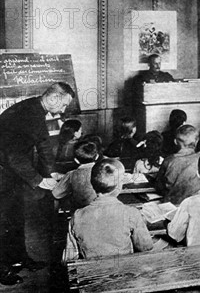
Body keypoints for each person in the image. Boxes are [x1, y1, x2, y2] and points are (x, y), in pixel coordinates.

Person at [0, 82, 75, 285]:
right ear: (53, 99)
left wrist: (52, 172)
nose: (64, 110)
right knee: (3, 220)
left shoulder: (37, 110)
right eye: (64, 105)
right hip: (4, 169)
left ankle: (19, 258)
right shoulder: (29, 113)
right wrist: (39, 180)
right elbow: (13, 155)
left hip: (11, 171)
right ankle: (2, 269)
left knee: (16, 215)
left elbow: (43, 146)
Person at [62, 158, 153, 262]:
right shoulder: (131, 213)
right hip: (124, 271)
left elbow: (70, 257)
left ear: (92, 183)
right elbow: (145, 248)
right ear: (119, 186)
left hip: (90, 273)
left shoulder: (77, 216)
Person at [155, 124, 200, 205]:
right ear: (196, 141)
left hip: (172, 205)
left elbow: (159, 186)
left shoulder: (169, 161)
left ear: (175, 142)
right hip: (196, 205)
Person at [52, 141, 100, 210]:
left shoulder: (71, 174)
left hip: (82, 213)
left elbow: (56, 194)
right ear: (97, 156)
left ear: (76, 160)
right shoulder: (104, 170)